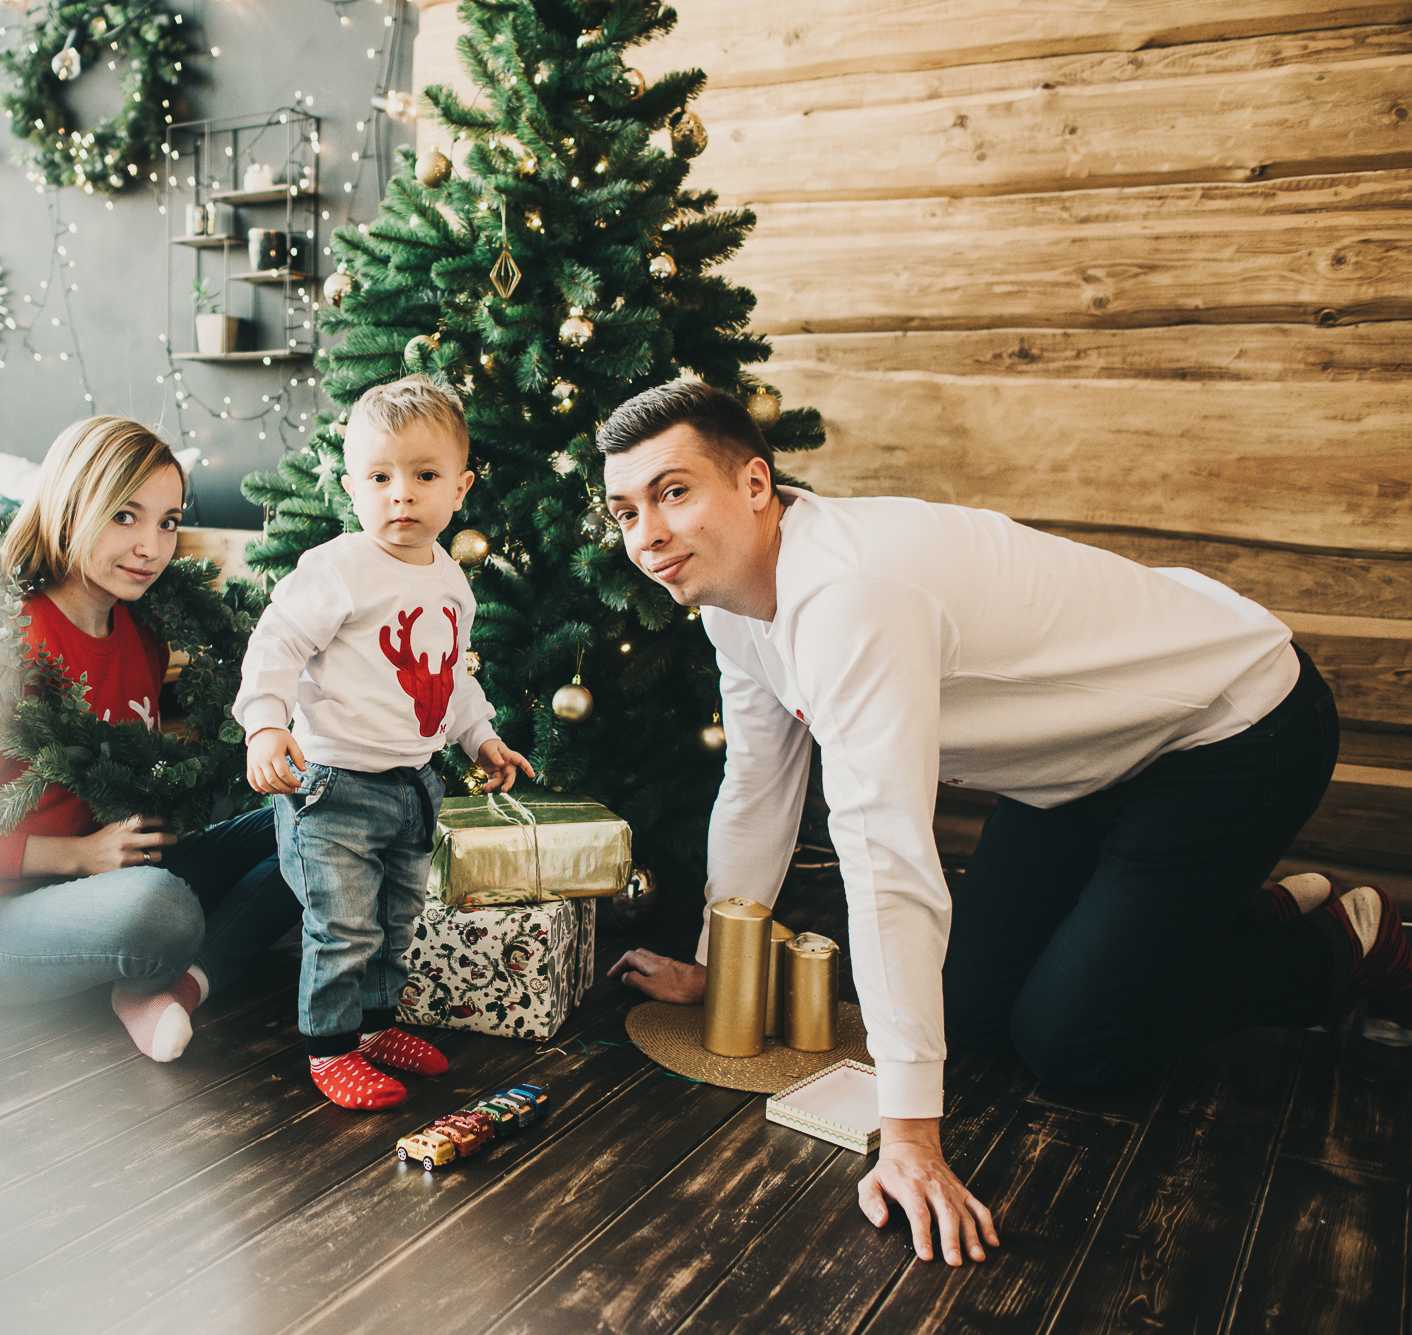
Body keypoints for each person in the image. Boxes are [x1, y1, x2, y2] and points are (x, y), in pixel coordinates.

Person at [596, 379, 1408, 1266]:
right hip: (1076, 763)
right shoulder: (734, 603)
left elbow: (888, 857)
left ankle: (1339, 946)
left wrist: (909, 1140)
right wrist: (724, 968)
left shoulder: (849, 595)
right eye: (625, 510)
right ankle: (1239, 912)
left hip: (1230, 729)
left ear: (756, 485)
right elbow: (757, 783)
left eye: (673, 492)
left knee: (1073, 1045)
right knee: (972, 1012)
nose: (648, 535)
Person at [0, 416, 299, 1063]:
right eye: (126, 516)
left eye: (167, 521)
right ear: (73, 507)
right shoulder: (5, 651)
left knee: (314, 820)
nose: (152, 546)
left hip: (109, 877)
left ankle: (171, 987)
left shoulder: (139, 632)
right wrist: (76, 855)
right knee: (164, 909)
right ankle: (152, 958)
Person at [233, 376, 535, 1110]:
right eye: (380, 477)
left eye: (424, 476)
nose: (401, 495)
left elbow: (453, 678)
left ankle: (373, 1028)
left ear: (458, 488)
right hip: (332, 782)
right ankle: (330, 1047)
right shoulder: (338, 568)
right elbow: (275, 645)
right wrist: (266, 724)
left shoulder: (451, 581)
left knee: (395, 922)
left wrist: (481, 737)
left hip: (413, 784)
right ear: (351, 487)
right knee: (342, 926)